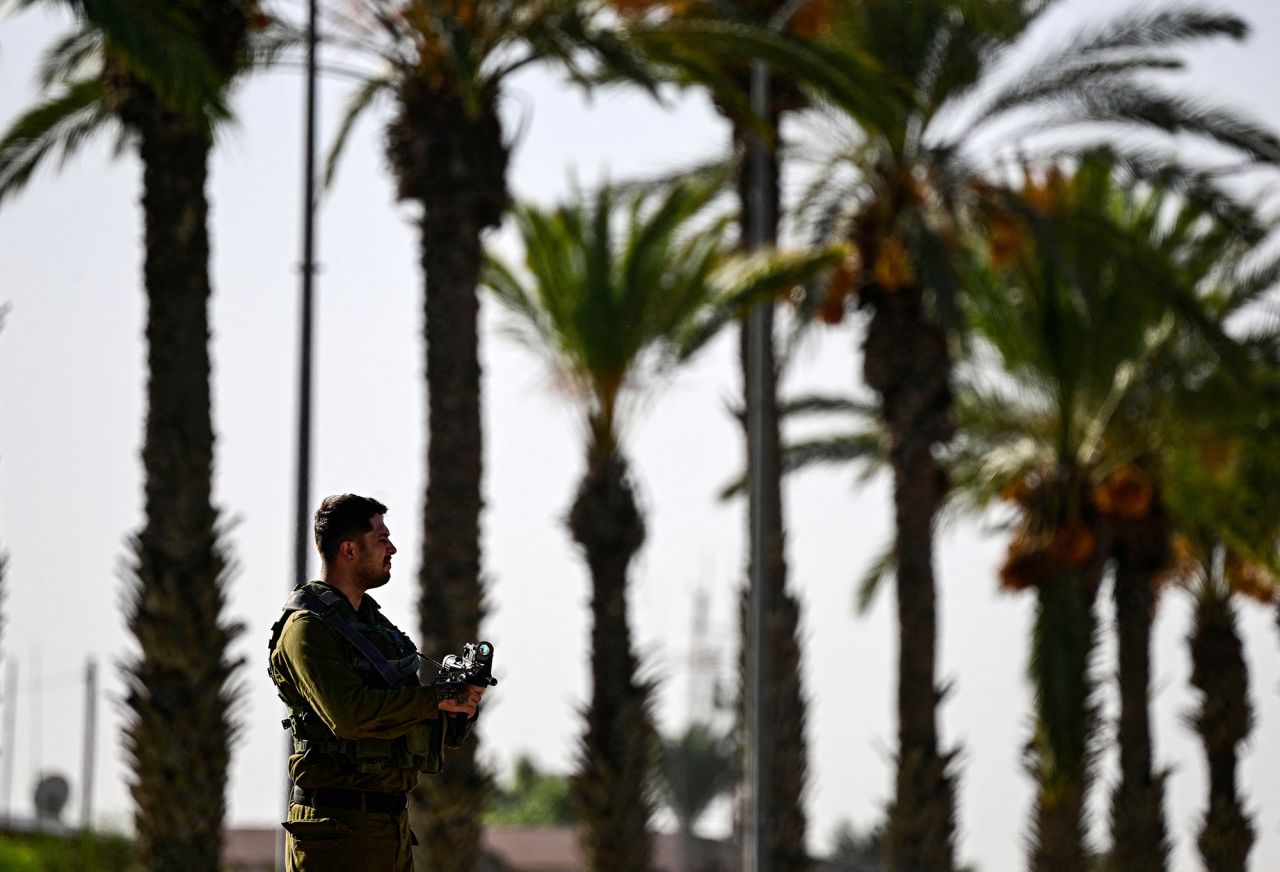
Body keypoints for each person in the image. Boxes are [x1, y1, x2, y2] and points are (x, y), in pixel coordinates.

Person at [268, 494, 486, 872]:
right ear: (349, 549)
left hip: (388, 826)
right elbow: (349, 715)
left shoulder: (378, 631)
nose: (393, 548)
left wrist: (457, 709)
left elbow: (415, 719)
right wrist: (434, 698)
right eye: (381, 538)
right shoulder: (306, 630)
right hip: (335, 828)